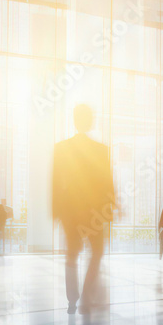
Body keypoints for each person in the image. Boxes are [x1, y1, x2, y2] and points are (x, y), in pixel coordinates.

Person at [52, 105, 117, 314]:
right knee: (96, 252)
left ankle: (73, 299)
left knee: (72, 254)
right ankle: (86, 294)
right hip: (94, 211)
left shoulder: (62, 147)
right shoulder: (101, 149)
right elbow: (108, 182)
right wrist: (111, 207)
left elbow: (55, 181)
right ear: (90, 121)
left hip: (71, 210)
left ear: (74, 120)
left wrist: (57, 210)